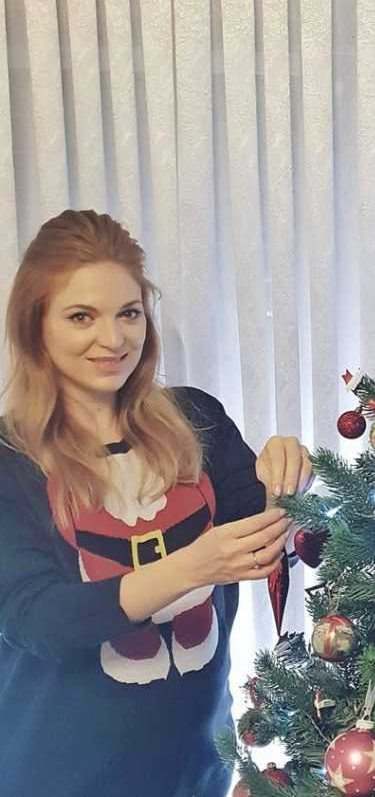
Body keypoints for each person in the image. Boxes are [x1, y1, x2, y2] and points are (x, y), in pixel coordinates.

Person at [0, 210, 313, 797]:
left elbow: (271, 546)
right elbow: (38, 620)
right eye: (81, 317)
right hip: (53, 778)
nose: (114, 339)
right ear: (34, 325)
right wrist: (190, 568)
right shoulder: (8, 459)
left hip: (196, 771)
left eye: (129, 313)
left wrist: (286, 484)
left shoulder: (197, 419)